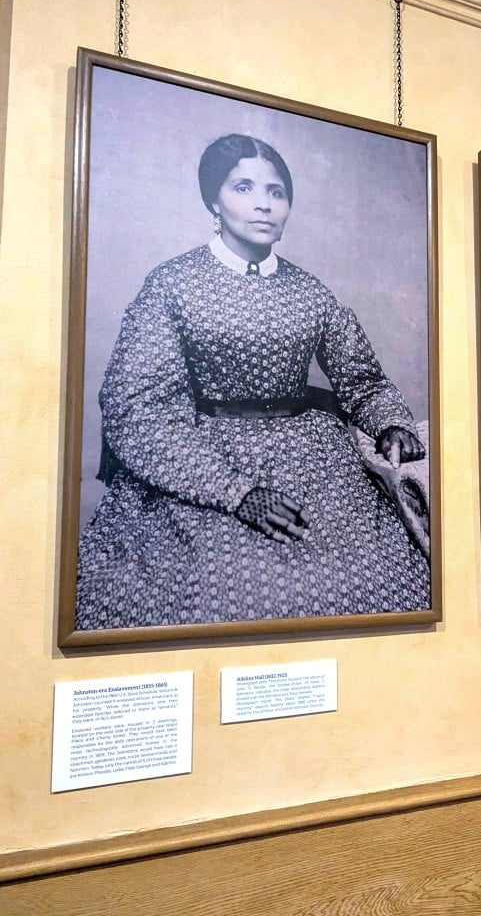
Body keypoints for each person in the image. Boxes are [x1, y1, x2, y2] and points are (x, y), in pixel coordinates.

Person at [75, 133, 430, 629]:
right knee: (227, 592)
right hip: (201, 462)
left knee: (371, 581)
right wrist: (236, 492)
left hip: (315, 463)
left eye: (276, 192)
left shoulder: (310, 292)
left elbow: (363, 380)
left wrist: (391, 424)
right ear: (213, 200)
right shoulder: (172, 285)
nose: (263, 204)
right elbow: (136, 409)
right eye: (243, 188)